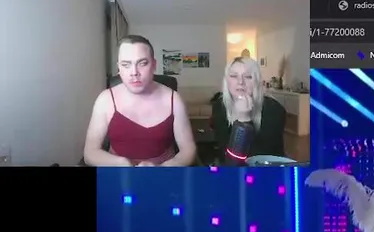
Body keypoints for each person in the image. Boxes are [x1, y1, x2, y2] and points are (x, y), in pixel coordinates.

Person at [82, 35, 197, 167]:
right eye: (126, 65)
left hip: (162, 173)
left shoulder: (174, 99)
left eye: (142, 63)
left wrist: (162, 168)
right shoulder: (105, 100)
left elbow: (188, 151)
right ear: (119, 68)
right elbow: (90, 153)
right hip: (118, 172)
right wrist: (122, 163)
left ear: (154, 65)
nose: (134, 72)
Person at [211, 57, 287, 165]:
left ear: (257, 81)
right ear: (226, 81)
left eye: (248, 77)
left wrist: (244, 120)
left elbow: (256, 159)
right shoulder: (220, 106)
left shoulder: (274, 109)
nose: (240, 82)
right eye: (234, 76)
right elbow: (228, 156)